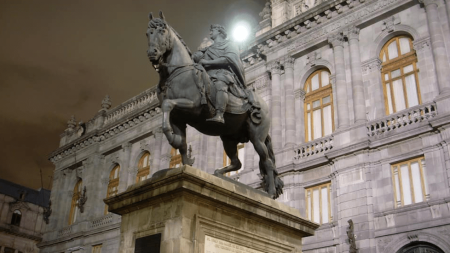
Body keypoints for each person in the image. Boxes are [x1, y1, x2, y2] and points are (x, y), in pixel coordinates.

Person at [193, 24, 248, 124]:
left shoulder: (230, 44)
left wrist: (207, 62)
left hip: (224, 73)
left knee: (220, 83)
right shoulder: (208, 48)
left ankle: (219, 114)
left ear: (219, 32)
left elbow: (228, 59)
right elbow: (196, 57)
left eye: (212, 30)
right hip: (208, 74)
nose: (210, 32)